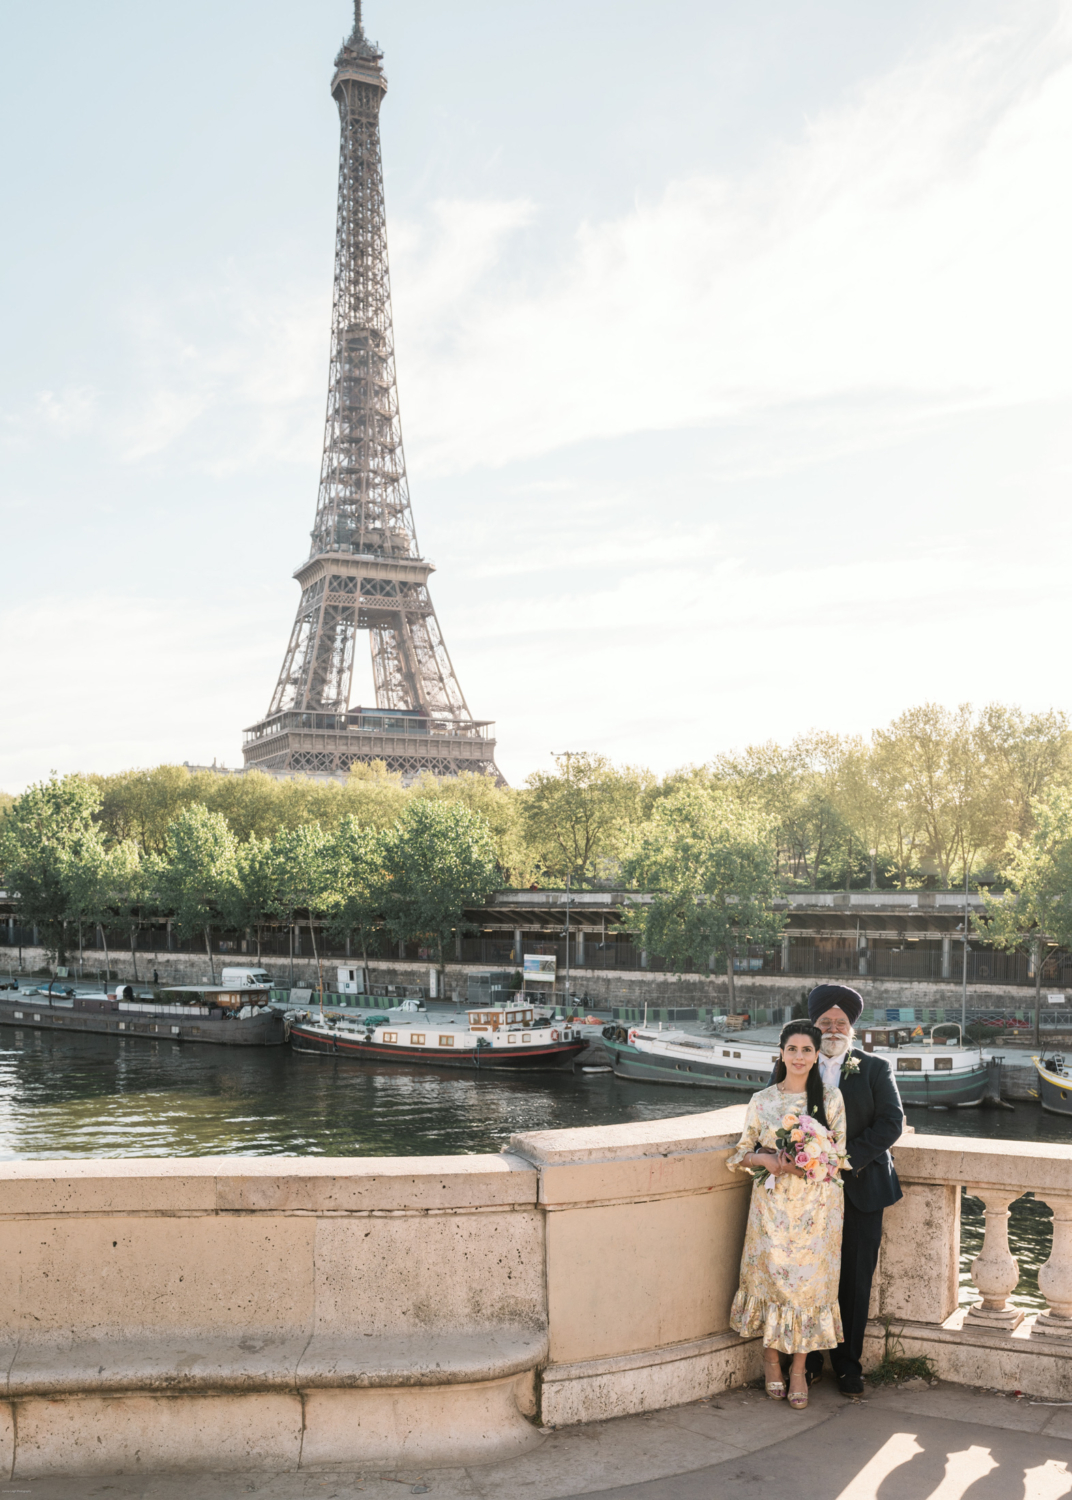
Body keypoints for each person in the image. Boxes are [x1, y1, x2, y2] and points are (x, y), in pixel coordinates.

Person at [727, 1021, 847, 1410]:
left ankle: (799, 1370)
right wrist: (768, 1160)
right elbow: (740, 1153)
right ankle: (771, 1361)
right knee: (773, 1281)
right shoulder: (762, 1101)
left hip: (818, 1210)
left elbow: (839, 1157)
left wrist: (811, 1161)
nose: (799, 1057)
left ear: (816, 1056)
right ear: (780, 1053)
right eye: (792, 1049)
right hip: (772, 1209)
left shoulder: (830, 1099)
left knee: (809, 1287)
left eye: (806, 1050)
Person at [792, 983, 905, 1395]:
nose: (834, 1028)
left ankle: (847, 1364)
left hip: (861, 1187)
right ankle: (804, 1362)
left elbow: (891, 1124)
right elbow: (776, 1116)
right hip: (805, 1193)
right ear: (814, 1025)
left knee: (855, 1280)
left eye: (841, 1022)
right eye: (826, 1022)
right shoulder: (794, 1062)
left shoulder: (875, 1068)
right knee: (803, 1277)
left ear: (852, 1028)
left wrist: (840, 1159)